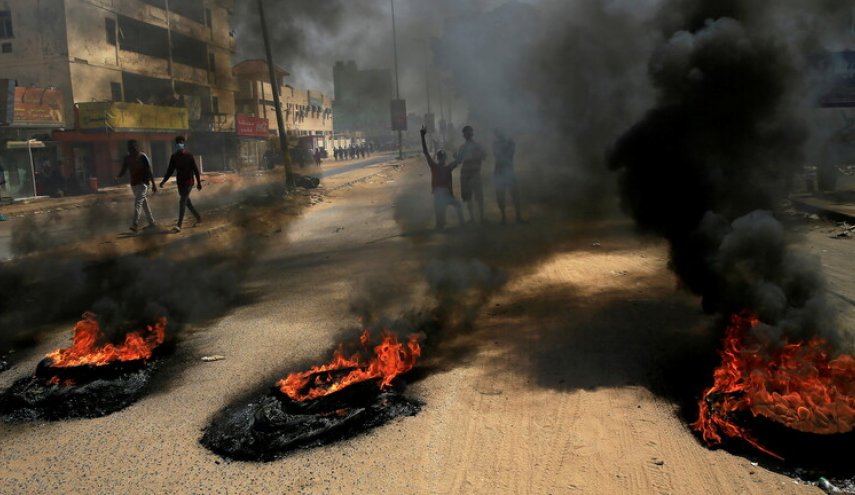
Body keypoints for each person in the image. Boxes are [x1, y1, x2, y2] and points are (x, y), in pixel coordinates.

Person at [421, 125, 464, 229]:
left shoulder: (436, 167)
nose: (441, 159)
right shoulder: (442, 167)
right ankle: (461, 224)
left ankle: (459, 224)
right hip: (443, 194)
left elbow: (459, 160)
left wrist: (422, 136)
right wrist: (422, 136)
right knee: (455, 208)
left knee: (442, 220)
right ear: (443, 158)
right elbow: (458, 161)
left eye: (441, 157)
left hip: (440, 194)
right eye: (441, 157)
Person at [160, 136, 201, 232]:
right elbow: (170, 170)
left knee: (182, 201)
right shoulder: (174, 157)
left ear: (183, 144)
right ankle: (198, 217)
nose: (179, 144)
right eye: (177, 142)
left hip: (189, 182)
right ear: (176, 145)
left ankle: (179, 225)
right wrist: (163, 181)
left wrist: (199, 183)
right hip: (180, 183)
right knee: (187, 202)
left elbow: (196, 170)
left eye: (181, 142)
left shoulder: (189, 156)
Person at [116, 140, 157, 233]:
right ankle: (152, 222)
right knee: (144, 203)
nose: (132, 149)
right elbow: (123, 169)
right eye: (130, 147)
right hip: (134, 184)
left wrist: (154, 184)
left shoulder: (143, 157)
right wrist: (117, 176)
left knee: (138, 203)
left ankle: (135, 224)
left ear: (137, 147)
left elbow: (149, 171)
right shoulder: (127, 158)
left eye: (133, 147)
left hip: (143, 184)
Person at [455, 125, 487, 223]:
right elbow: (459, 160)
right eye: (466, 133)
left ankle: (479, 218)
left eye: (469, 132)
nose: (468, 134)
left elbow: (484, 156)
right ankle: (474, 218)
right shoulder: (464, 147)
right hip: (467, 175)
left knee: (477, 197)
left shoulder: (476, 146)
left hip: (473, 174)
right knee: (470, 198)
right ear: (464, 135)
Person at [493, 128, 523, 223]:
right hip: (503, 171)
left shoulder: (507, 143)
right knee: (502, 195)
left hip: (506, 171)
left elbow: (507, 155)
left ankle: (514, 217)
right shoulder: (501, 144)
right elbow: (500, 156)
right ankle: (505, 218)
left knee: (514, 194)